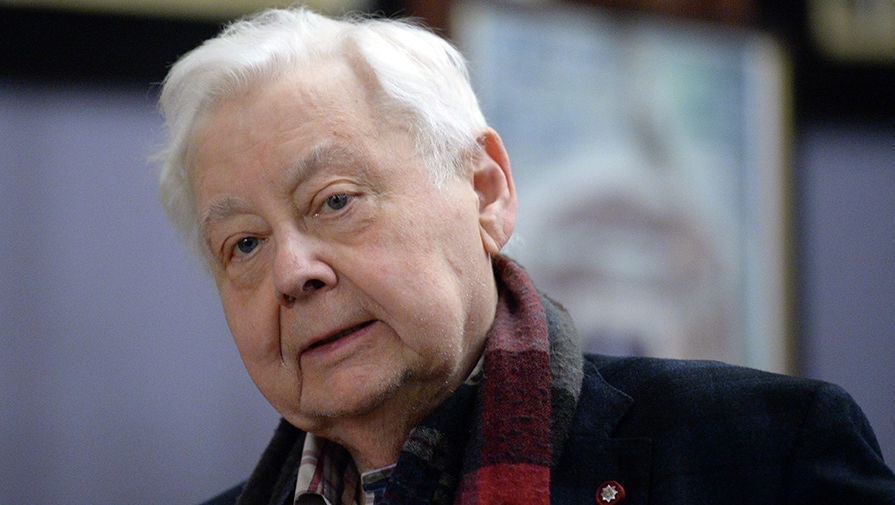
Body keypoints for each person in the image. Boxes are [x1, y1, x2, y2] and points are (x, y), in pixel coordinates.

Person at [156, 7, 895, 505]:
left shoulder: (764, 454)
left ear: (485, 192)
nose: (293, 272)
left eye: (335, 201)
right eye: (244, 243)